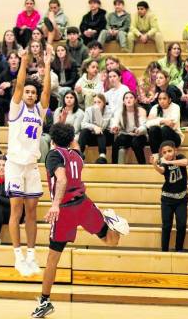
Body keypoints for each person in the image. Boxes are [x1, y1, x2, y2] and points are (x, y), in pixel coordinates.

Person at [31, 123, 129, 318]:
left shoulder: (53, 155)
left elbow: (62, 179)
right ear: (70, 139)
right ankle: (114, 222)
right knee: (111, 240)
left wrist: (55, 204)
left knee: (52, 260)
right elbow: (73, 146)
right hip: (83, 204)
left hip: (66, 210)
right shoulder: (77, 155)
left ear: (52, 141)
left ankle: (44, 301)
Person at [5, 45, 52, 277]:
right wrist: (24, 60)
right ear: (22, 94)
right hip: (14, 164)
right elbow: (21, 83)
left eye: (34, 92)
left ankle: (31, 256)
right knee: (17, 210)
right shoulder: (16, 108)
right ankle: (17, 256)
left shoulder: (39, 112)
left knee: (32, 211)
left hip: (32, 166)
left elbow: (47, 94)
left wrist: (48, 63)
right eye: (28, 92)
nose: (31, 95)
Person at [151, 141, 188, 252]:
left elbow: (185, 162)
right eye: (164, 152)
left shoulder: (180, 157)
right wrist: (154, 164)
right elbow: (161, 171)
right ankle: (164, 250)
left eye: (169, 151)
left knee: (181, 224)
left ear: (175, 150)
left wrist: (168, 162)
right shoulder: (164, 163)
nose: (167, 154)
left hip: (181, 199)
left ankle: (179, 249)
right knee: (166, 225)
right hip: (167, 199)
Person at [111, 92, 147, 164]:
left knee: (135, 142)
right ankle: (114, 165)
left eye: (131, 97)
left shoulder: (141, 110)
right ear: (124, 101)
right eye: (126, 98)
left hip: (140, 135)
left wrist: (138, 130)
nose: (128, 99)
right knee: (117, 141)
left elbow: (144, 126)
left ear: (135, 100)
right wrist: (115, 127)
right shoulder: (120, 111)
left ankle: (142, 165)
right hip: (127, 135)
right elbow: (115, 122)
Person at [146, 90, 184, 159]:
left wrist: (156, 120)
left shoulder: (175, 107)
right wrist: (163, 121)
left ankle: (168, 158)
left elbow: (172, 123)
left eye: (164, 98)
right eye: (159, 99)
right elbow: (148, 124)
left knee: (165, 129)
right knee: (153, 129)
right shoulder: (155, 107)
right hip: (160, 138)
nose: (162, 101)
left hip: (174, 137)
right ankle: (156, 158)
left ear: (169, 100)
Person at [78, 94, 114, 164]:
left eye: (99, 102)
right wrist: (94, 127)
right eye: (94, 102)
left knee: (101, 132)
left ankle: (102, 156)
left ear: (104, 103)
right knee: (84, 131)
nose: (96, 104)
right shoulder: (89, 110)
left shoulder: (109, 111)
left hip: (105, 139)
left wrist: (97, 112)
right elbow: (83, 124)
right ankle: (79, 154)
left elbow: (102, 126)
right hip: (92, 137)